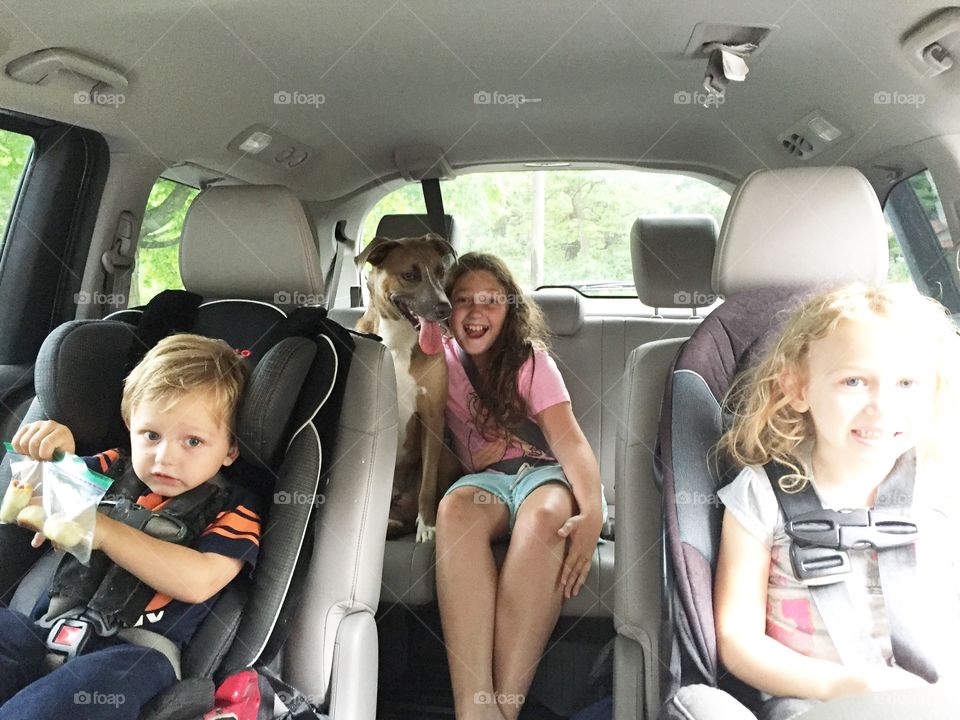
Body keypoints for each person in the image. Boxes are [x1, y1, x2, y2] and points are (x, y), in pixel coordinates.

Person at [713, 283, 960, 720]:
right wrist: (844, 685)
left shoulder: (943, 486)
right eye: (854, 381)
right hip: (814, 699)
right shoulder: (762, 492)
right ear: (797, 388)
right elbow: (737, 638)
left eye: (907, 382)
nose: (882, 406)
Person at [0, 333, 263, 720]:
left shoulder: (236, 507)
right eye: (151, 435)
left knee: (92, 689)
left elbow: (199, 580)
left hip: (134, 656)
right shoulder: (112, 467)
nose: (164, 457)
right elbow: (32, 501)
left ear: (230, 449)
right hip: (44, 631)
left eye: (193, 441)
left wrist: (103, 529)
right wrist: (54, 456)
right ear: (129, 426)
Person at [435, 252, 605, 720]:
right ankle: (473, 704)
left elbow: (569, 441)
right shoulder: (435, 360)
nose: (475, 312)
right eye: (462, 300)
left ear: (510, 309)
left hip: (539, 474)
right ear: (444, 308)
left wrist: (593, 511)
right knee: (456, 514)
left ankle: (502, 710)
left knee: (548, 516)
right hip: (482, 482)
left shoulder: (531, 361)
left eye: (490, 301)